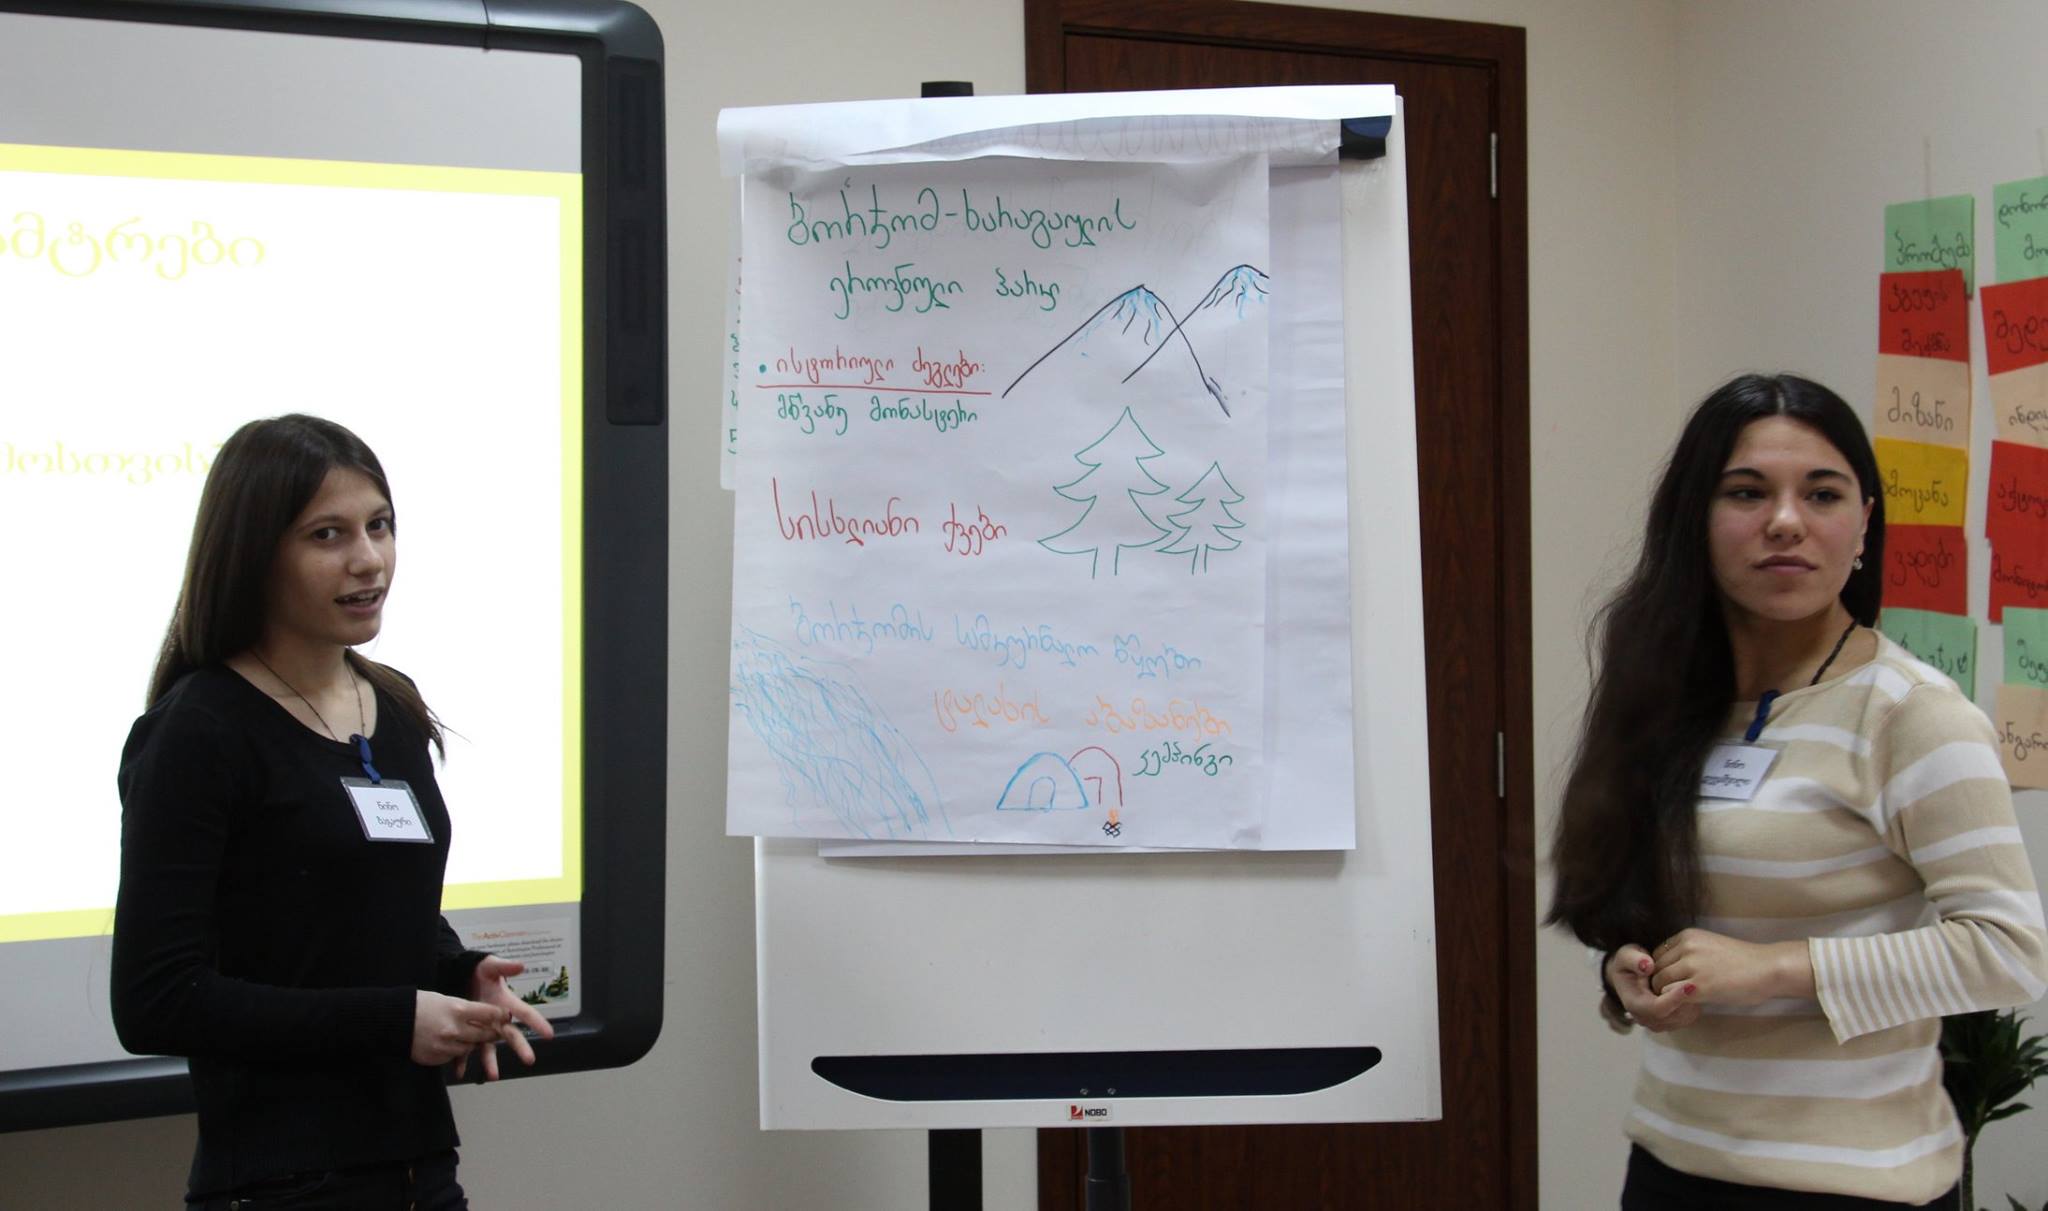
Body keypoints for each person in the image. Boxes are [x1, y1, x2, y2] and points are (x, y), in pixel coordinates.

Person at [1547, 374, 2048, 1209]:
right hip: (1674, 1162)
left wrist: (1775, 968)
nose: (1785, 520)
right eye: (1747, 492)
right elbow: (1661, 903)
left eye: (1822, 493)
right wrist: (1632, 969)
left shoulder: (1912, 714)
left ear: (1864, 524)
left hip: (1852, 1182)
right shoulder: (1670, 701)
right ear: (1695, 521)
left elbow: (2008, 952)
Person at [111, 414, 554, 1209]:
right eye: (327, 534)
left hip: (423, 1170)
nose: (369, 558)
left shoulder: (393, 705)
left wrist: (456, 970)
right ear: (255, 553)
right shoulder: (199, 729)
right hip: (285, 1183)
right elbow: (156, 999)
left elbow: (364, 906)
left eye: (380, 525)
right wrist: (393, 1020)